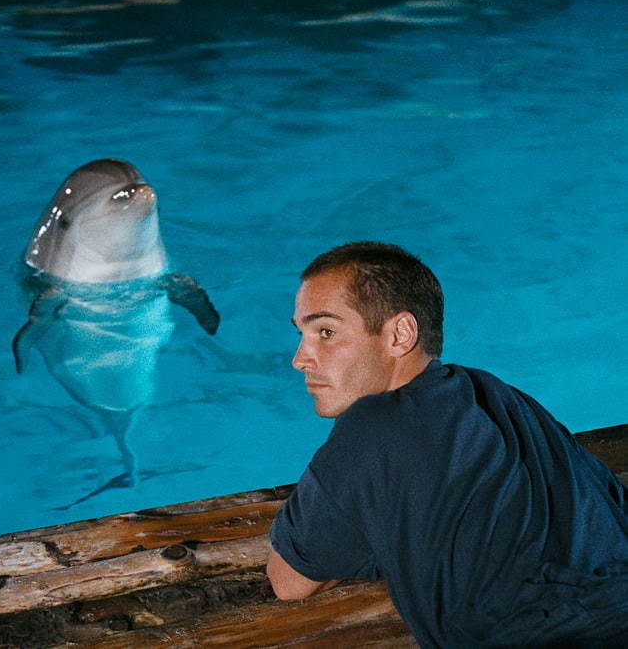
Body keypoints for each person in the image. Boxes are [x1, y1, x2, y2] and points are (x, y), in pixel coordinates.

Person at [266, 241, 627, 648]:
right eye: (303, 334)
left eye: (326, 332)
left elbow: (289, 581)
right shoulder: (494, 391)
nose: (301, 358)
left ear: (400, 334)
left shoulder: (370, 428)